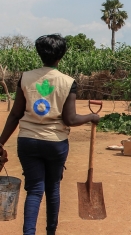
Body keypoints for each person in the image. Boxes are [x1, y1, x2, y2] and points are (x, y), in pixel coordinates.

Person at [0, 34, 100, 235]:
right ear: (61, 55)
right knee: (52, 188)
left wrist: (0, 142)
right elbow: (70, 120)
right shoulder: (67, 82)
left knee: (34, 190)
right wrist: (91, 116)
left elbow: (15, 114)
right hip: (55, 143)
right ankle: (51, 232)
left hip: (28, 141)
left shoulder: (26, 78)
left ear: (39, 53)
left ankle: (29, 233)